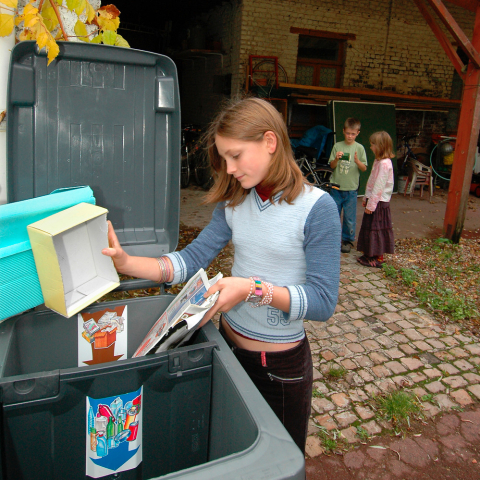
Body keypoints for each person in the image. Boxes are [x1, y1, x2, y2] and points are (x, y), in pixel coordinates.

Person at [102, 97, 341, 454]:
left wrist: (250, 289)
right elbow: (188, 260)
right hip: (226, 349)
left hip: (278, 369)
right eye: (224, 158)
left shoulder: (317, 208)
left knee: (278, 463)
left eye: (236, 155)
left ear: (270, 142)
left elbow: (322, 302)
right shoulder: (235, 201)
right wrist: (126, 262)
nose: (229, 169)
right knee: (228, 451)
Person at [328, 118, 368, 253]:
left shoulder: (360, 148)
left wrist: (357, 161)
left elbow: (364, 168)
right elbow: (332, 166)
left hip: (351, 188)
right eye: (348, 133)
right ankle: (332, 239)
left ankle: (347, 240)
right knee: (334, 215)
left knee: (349, 218)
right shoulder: (337, 146)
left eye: (353, 134)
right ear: (343, 131)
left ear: (358, 133)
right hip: (336, 187)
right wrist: (336, 159)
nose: (350, 136)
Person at [356, 131, 395, 268]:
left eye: (373, 145)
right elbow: (371, 181)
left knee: (377, 229)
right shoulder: (378, 161)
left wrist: (371, 205)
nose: (371, 147)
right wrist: (366, 197)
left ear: (381, 146)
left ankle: (377, 256)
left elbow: (379, 186)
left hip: (379, 202)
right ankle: (369, 253)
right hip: (373, 200)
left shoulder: (385, 164)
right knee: (370, 227)